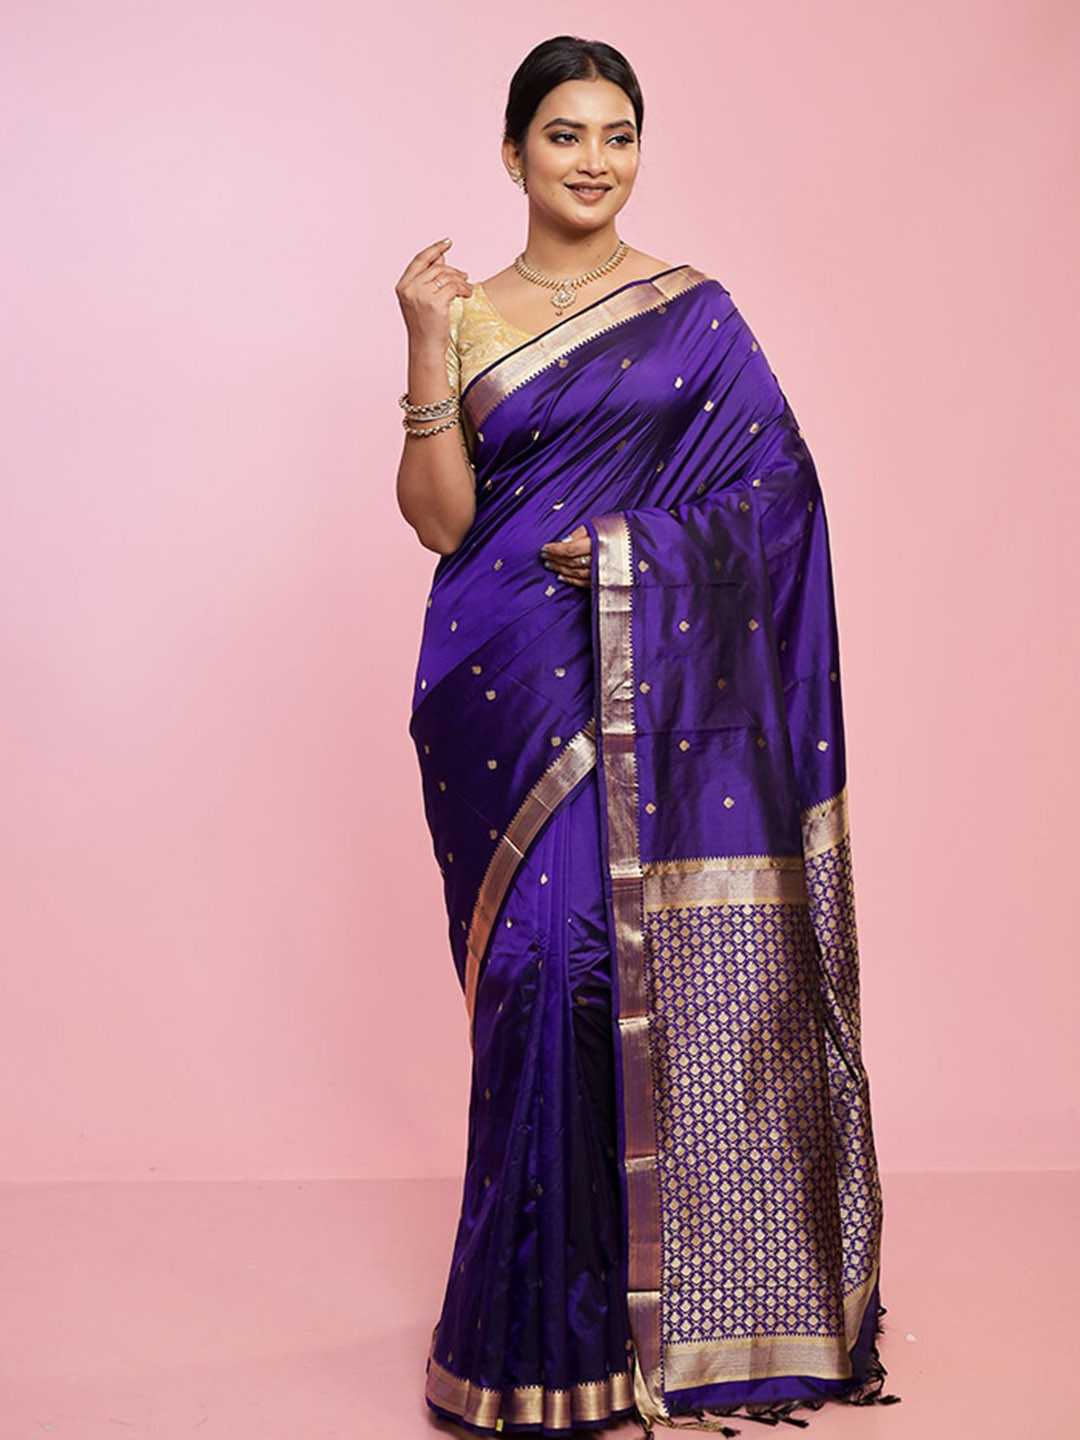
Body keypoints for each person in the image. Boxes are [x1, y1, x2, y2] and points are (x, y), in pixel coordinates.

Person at [394, 34, 901, 1440]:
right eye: (566, 134)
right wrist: (425, 342)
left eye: (618, 135)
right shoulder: (467, 313)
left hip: (636, 655)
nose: (595, 160)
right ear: (514, 152)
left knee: (593, 967)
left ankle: (627, 1329)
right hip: (500, 673)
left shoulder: (698, 312)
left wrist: (631, 550)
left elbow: (780, 499)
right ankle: (528, 1340)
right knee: (530, 980)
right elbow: (440, 520)